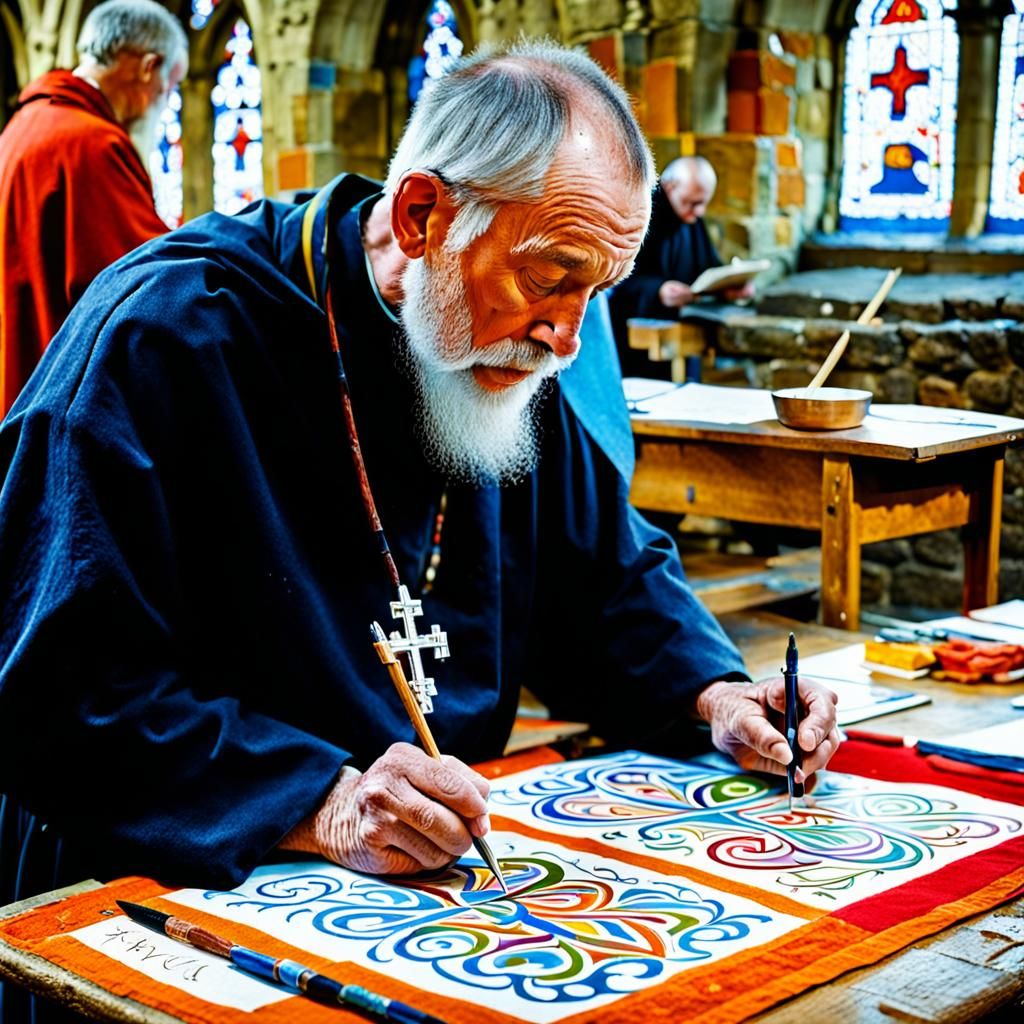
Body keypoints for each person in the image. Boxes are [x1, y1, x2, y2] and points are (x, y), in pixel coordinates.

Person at [0, 41, 839, 912]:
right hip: (165, 870)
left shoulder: (511, 348)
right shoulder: (161, 336)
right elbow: (56, 693)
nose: (567, 341)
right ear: (421, 216)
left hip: (425, 874)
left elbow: (601, 577)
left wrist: (718, 694)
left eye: (597, 292)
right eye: (547, 279)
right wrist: (319, 801)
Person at [0, 0, 188, 415]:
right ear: (149, 68)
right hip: (61, 408)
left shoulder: (21, 127)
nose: (163, 103)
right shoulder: (91, 144)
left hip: (17, 386)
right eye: (169, 88)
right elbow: (147, 285)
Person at [609, 156, 753, 378]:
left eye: (704, 203)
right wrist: (658, 291)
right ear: (670, 186)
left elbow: (707, 271)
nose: (700, 212)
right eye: (693, 203)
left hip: (682, 336)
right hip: (636, 346)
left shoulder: (691, 218)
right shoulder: (637, 213)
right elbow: (614, 282)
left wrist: (730, 287)